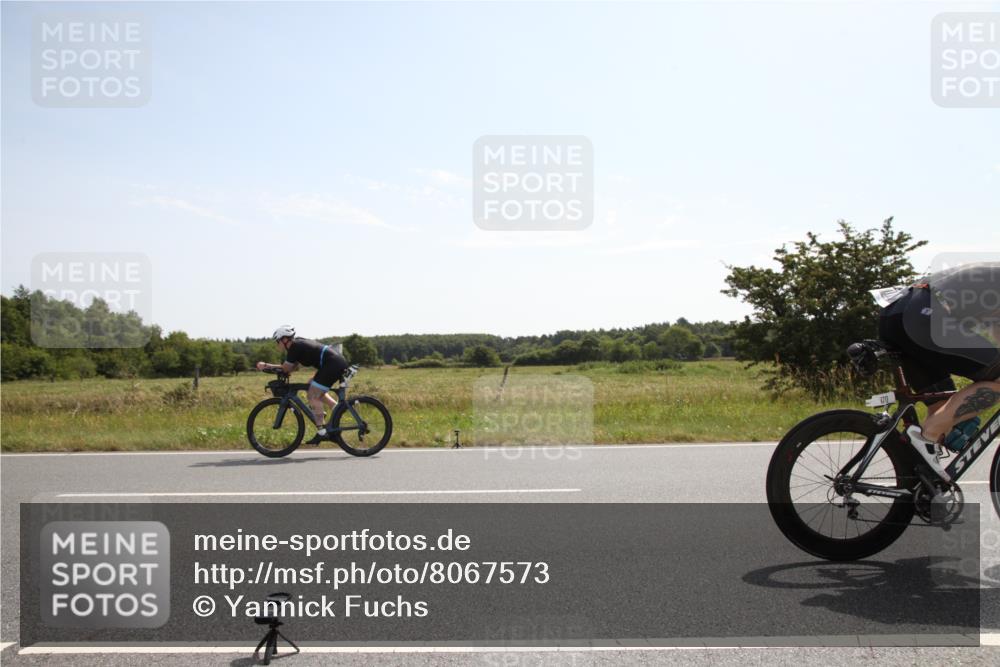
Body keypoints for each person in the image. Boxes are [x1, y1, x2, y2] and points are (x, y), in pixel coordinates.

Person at [878, 261, 1000, 481]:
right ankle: (928, 436)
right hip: (922, 313)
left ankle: (924, 483)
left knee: (941, 408)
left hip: (896, 312)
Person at [256, 325, 350, 444]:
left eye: (277, 341)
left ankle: (322, 432)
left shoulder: (295, 346)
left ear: (285, 339)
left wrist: (267, 365)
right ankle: (336, 408)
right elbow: (292, 368)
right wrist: (276, 368)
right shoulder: (297, 346)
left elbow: (286, 368)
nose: (277, 344)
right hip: (333, 363)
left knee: (312, 395)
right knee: (311, 384)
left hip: (332, 364)